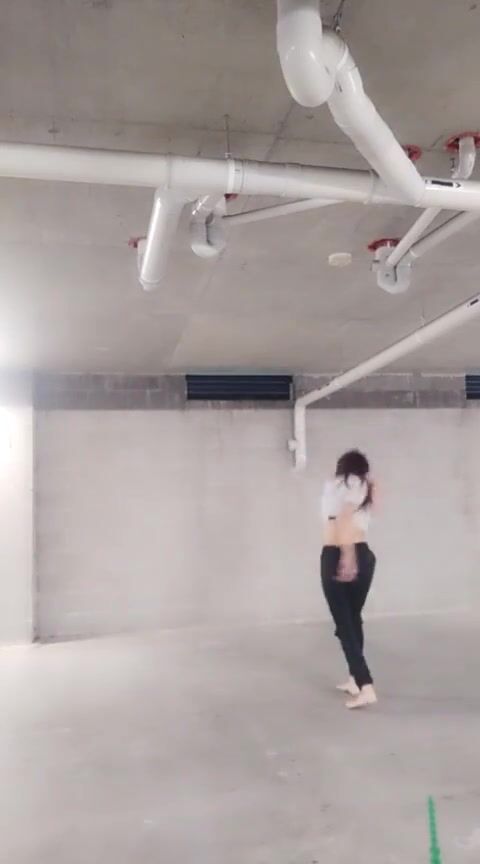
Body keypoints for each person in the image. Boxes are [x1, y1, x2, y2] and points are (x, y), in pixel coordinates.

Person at [320, 450, 377, 709]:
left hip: (339, 554)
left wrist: (347, 555)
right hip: (365, 555)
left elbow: (342, 519)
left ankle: (365, 686)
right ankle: (355, 679)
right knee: (352, 619)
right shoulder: (364, 486)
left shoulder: (337, 485)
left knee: (345, 623)